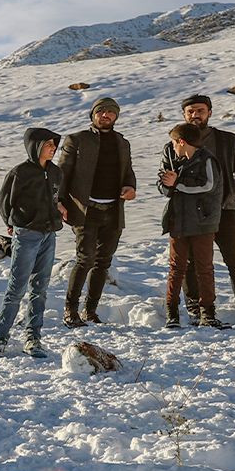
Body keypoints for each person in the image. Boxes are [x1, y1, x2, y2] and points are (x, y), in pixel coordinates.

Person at [175, 95, 235, 325]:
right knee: (191, 263)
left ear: (209, 113)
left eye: (200, 110)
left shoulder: (228, 140)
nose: (195, 115)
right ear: (184, 114)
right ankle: (194, 307)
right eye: (190, 111)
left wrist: (233, 192)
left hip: (225, 209)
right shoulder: (175, 142)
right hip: (190, 213)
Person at [57, 97, 137, 327]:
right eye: (101, 111)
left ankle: (90, 311)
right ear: (93, 115)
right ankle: (70, 310)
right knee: (85, 259)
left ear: (116, 116)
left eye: (111, 112)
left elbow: (128, 172)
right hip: (85, 210)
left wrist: (131, 187)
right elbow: (62, 174)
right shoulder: (77, 140)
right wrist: (59, 202)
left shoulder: (123, 143)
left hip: (113, 209)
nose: (106, 115)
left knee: (103, 262)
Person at [0, 128, 65, 358]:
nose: (53, 148)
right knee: (17, 288)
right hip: (26, 235)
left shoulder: (55, 172)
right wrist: (12, 223)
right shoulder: (19, 173)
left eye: (54, 144)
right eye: (49, 144)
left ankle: (33, 339)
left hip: (49, 235)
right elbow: (5, 201)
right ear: (36, 146)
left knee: (40, 289)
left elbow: (55, 198)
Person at [158, 123, 226, 329]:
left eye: (174, 142)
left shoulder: (206, 159)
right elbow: (163, 183)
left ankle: (208, 312)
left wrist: (177, 183)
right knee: (176, 268)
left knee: (204, 268)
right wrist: (168, 185)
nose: (172, 146)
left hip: (203, 222)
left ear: (182, 142)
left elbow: (208, 185)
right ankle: (172, 311)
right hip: (178, 221)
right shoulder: (171, 157)